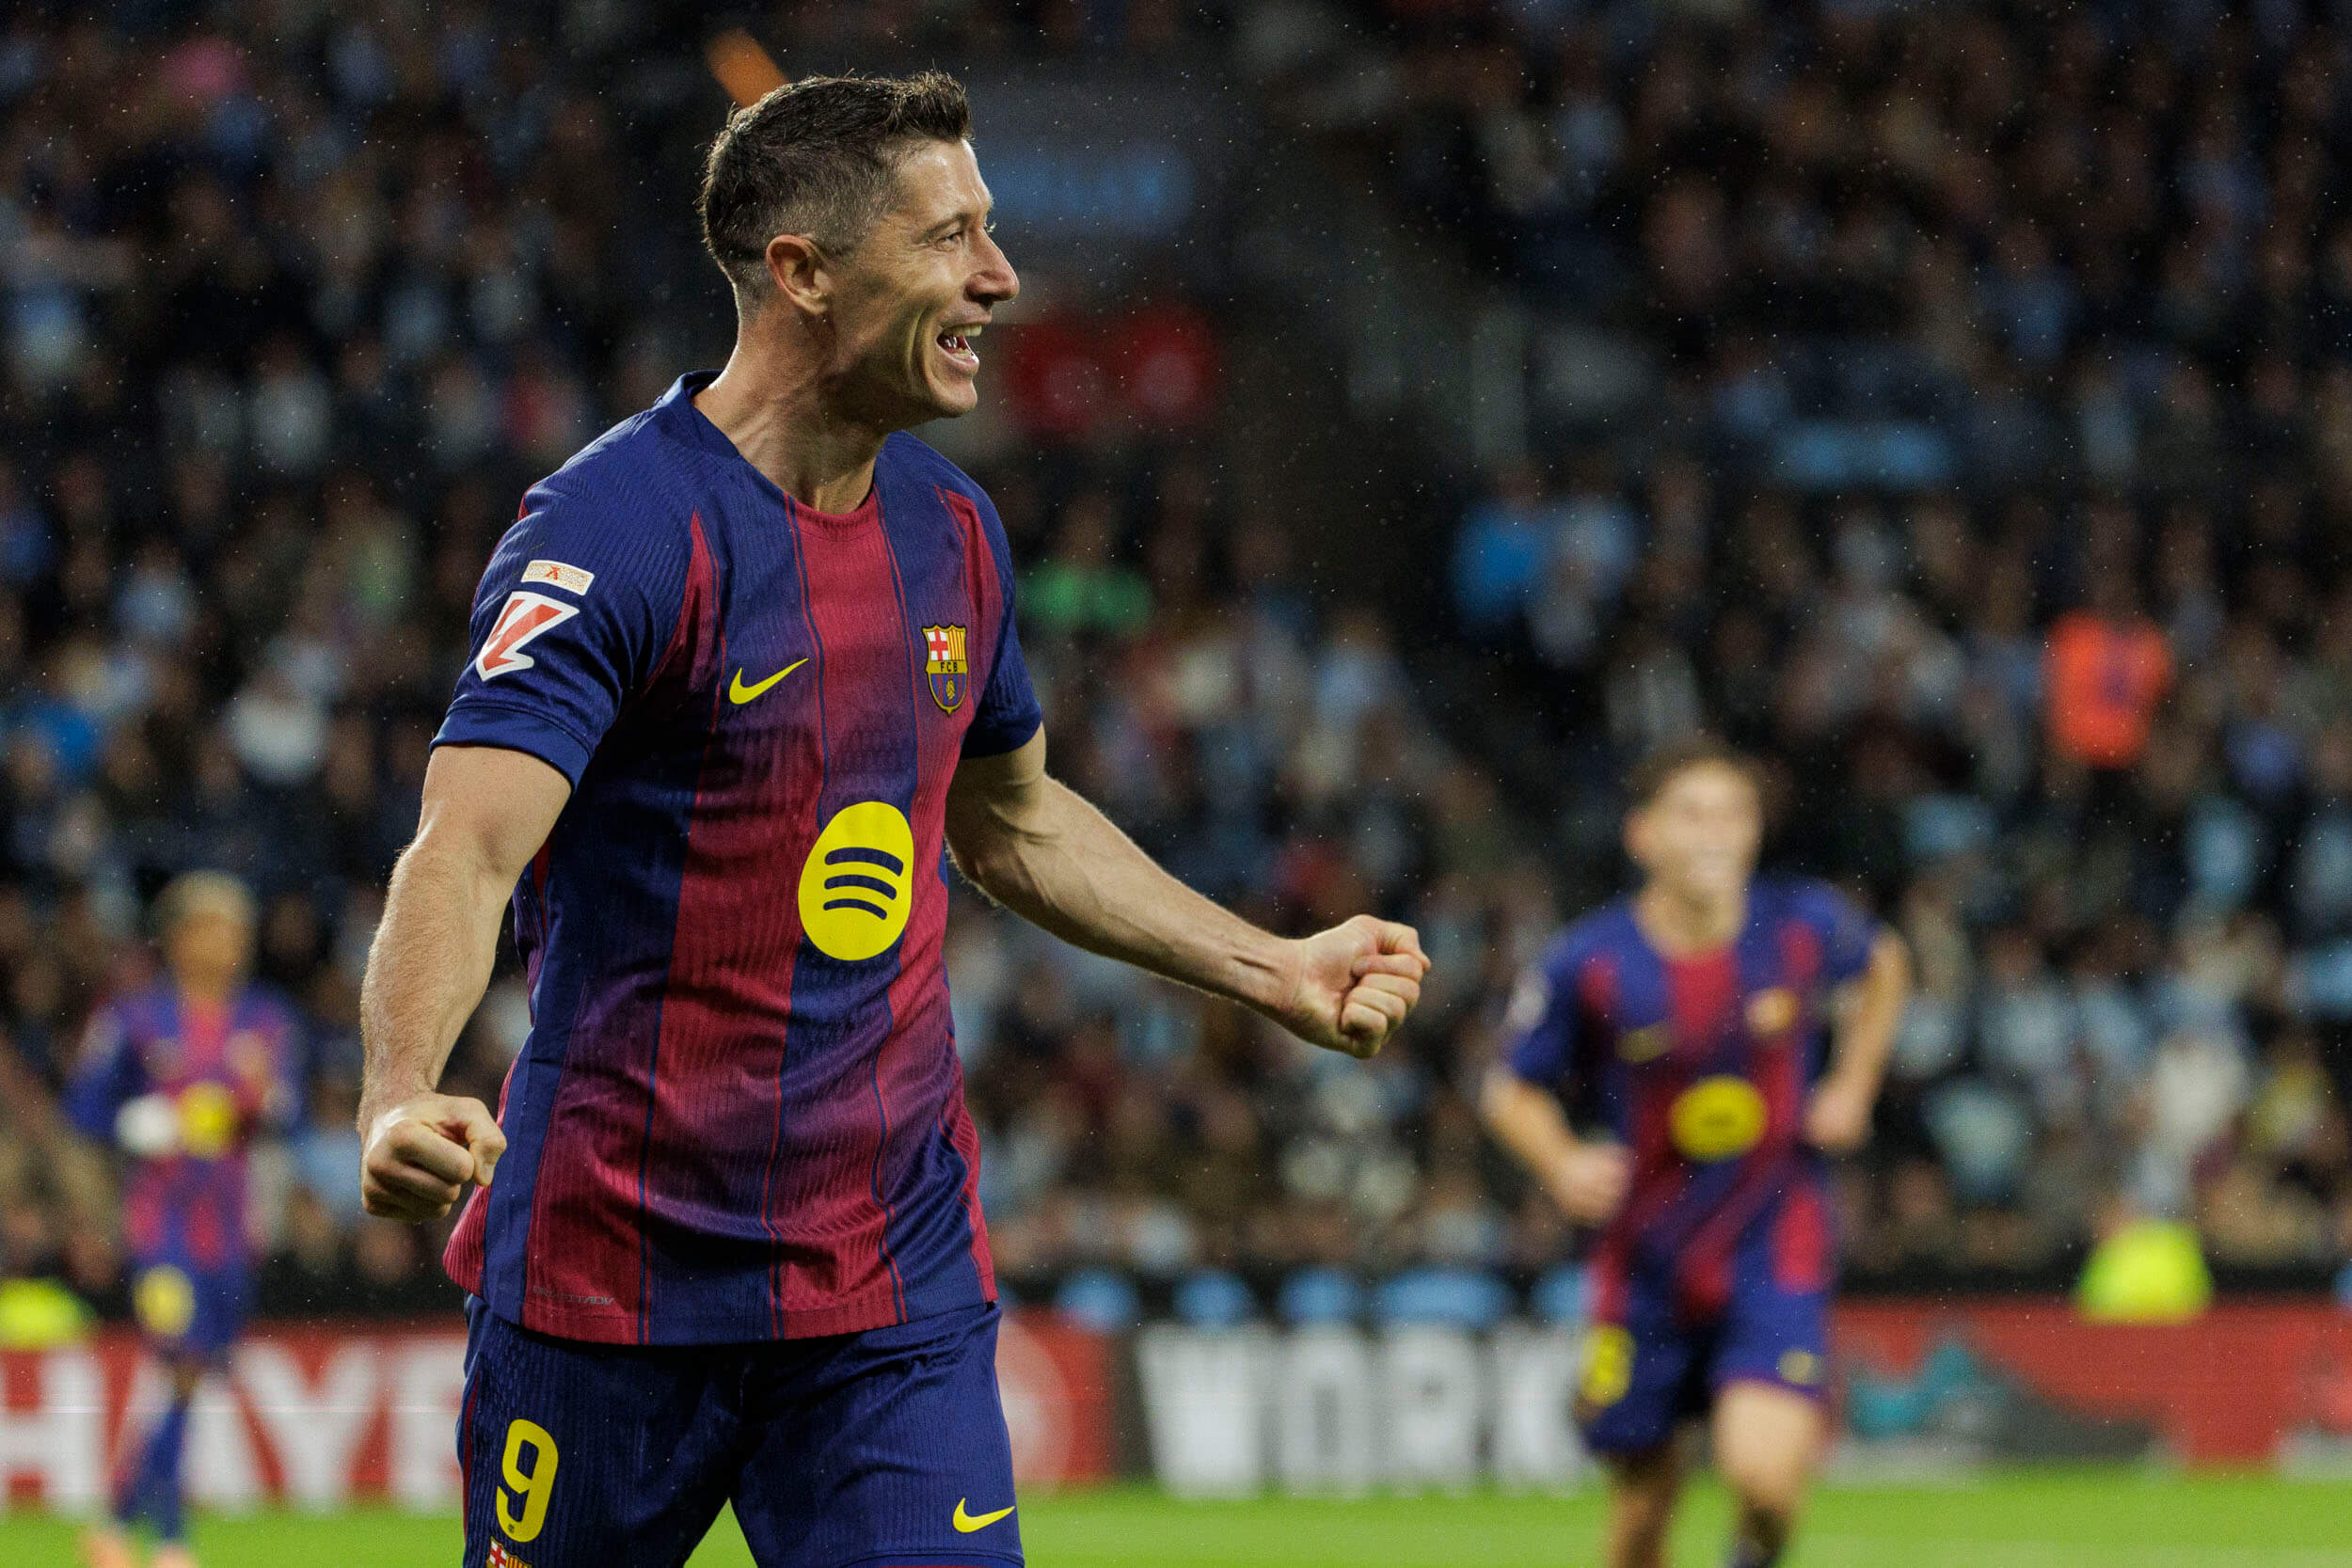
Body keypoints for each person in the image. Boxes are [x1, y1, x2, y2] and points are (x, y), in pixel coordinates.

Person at [356, 71, 1427, 1568]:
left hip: (885, 1281)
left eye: (990, 229)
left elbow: (1014, 820)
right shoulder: (611, 532)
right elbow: (465, 847)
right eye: (949, 237)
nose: (1000, 275)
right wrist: (399, 1088)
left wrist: (1273, 963)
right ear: (804, 269)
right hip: (611, 1277)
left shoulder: (953, 529)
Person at [1481, 736, 1908, 1568]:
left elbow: (1886, 964)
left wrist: (1854, 1083)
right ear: (1643, 835)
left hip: (1774, 1244)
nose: (1714, 833)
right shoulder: (1590, 961)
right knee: (1643, 1513)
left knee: (1765, 1478)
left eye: (1732, 814)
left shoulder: (1801, 924)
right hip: (1644, 1261)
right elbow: (1508, 1086)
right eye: (1692, 814)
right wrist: (1561, 1159)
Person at [71, 872, 300, 1568]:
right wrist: (133, 1123)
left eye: (237, 932)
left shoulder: (266, 1020)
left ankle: (114, 1522)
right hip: (159, 1225)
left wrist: (256, 1103)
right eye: (213, 929)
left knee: (191, 1373)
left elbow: (285, 1110)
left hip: (230, 1227)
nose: (228, 945)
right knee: (178, 1357)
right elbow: (85, 1107)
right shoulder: (135, 1019)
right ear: (177, 938)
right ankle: (171, 1540)